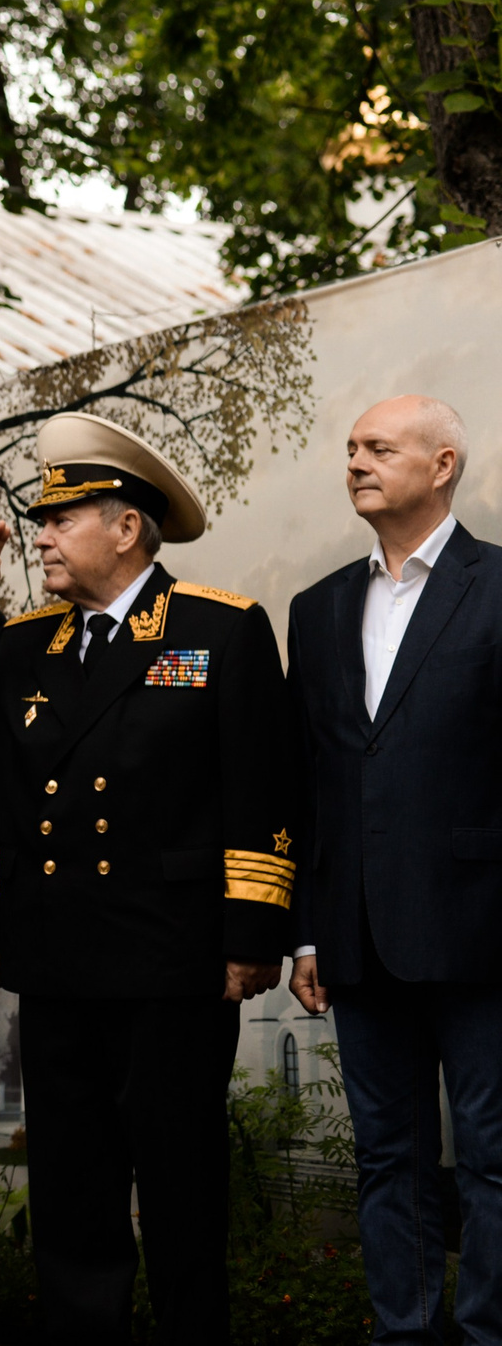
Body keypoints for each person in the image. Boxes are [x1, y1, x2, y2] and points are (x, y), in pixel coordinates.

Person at [0, 412, 295, 1340]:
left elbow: (263, 788)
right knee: (73, 1186)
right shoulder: (19, 646)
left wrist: (252, 933)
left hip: (173, 960)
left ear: (126, 527)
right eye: (42, 520)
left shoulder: (220, 628)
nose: (40, 536)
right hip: (55, 961)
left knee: (179, 1181)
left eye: (62, 518)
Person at [284, 395, 501, 1343]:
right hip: (358, 936)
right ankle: (405, 1332)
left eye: (380, 447)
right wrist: (305, 929)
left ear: (442, 463)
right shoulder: (320, 606)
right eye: (350, 449)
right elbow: (309, 780)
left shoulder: (498, 588)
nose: (357, 462)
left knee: (495, 1158)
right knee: (388, 1156)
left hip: (485, 930)